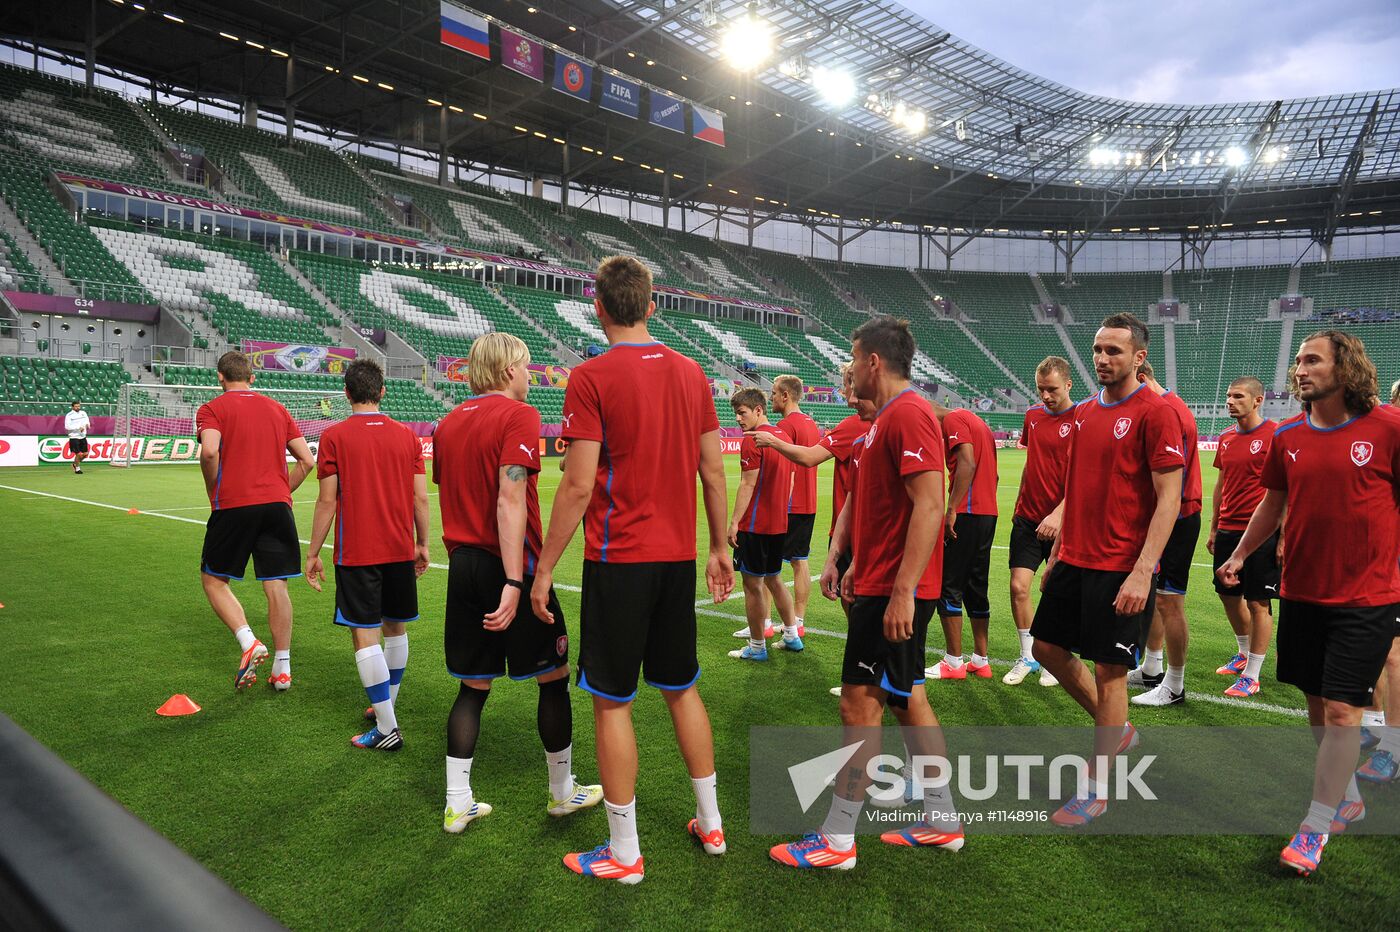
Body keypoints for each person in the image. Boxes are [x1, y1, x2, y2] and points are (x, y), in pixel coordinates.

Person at [530, 255, 735, 884]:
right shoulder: (691, 371)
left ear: (598, 307)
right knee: (682, 688)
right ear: (651, 304)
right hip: (676, 559)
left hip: (619, 561)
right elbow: (711, 469)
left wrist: (542, 572)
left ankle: (624, 853)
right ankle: (712, 822)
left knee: (612, 704)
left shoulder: (589, 376)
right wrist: (721, 546)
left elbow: (579, 483)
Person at [771, 316, 963, 872]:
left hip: (894, 593)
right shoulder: (887, 419)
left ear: (873, 362)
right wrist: (849, 563)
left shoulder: (908, 415)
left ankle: (837, 839)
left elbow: (929, 504)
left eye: (854, 359)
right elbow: (880, 504)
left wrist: (900, 591)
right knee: (907, 701)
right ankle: (943, 820)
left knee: (858, 703)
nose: (850, 370)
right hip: (880, 582)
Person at [1218, 331, 1400, 876]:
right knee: (1319, 712)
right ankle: (1346, 794)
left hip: (1366, 597)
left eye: (1312, 360)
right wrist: (1241, 555)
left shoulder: (1389, 428)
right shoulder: (1289, 436)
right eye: (1297, 360)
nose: (1299, 369)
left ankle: (1314, 828)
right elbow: (1274, 504)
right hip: (1301, 592)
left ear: (1345, 369)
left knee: (1344, 711)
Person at [433, 332, 603, 833]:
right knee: (552, 675)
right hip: (514, 567)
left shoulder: (447, 423)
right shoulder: (517, 415)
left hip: (463, 564)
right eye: (527, 368)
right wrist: (514, 579)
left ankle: (457, 800)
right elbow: (509, 499)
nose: (531, 376)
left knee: (472, 686)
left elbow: (451, 492)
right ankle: (561, 792)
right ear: (509, 370)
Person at [1031, 313, 1184, 826]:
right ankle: (1113, 729)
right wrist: (1058, 555)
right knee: (1046, 647)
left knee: (1111, 672)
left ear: (1139, 357)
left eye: (1114, 351)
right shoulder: (1088, 414)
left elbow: (1169, 497)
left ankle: (1096, 788)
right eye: (1097, 349)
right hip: (1076, 557)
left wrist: (1144, 571)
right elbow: (1079, 488)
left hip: (1122, 565)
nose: (1102, 358)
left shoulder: (1155, 412)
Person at [304, 358, 429, 750]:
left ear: (346, 393)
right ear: (383, 391)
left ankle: (388, 728)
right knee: (395, 628)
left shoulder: (335, 436)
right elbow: (420, 498)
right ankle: (385, 706)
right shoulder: (407, 436)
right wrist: (422, 543)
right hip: (398, 549)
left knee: (365, 633)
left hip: (357, 552)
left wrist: (312, 553)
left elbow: (327, 502)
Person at [196, 352, 315, 691]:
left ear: (221, 377)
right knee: (277, 585)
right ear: (253, 377)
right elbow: (307, 460)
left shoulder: (212, 409)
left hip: (234, 504)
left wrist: (212, 487)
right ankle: (282, 669)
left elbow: (209, 451)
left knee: (214, 580)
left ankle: (248, 640)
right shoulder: (277, 408)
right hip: (277, 506)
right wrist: (281, 491)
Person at [1128, 360, 1202, 708]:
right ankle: (1153, 668)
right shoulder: (1173, 406)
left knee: (1171, 602)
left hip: (1179, 514)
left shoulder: (1167, 411)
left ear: (1141, 378)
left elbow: (1173, 484)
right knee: (1161, 597)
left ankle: (1174, 685)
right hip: (1178, 513)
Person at [1004, 357, 1075, 687]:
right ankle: (1029, 655)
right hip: (1028, 518)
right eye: (1041, 389)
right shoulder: (1032, 416)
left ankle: (1052, 658)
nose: (1046, 396)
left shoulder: (1082, 419)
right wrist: (1020, 505)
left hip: (1065, 522)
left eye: (1053, 390)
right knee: (1018, 587)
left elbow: (1083, 478)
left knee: (1056, 594)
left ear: (1069, 385)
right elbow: (1033, 463)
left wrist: (1059, 514)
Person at [1206, 376, 1278, 698]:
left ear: (1257, 400)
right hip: (1227, 529)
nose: (1230, 401)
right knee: (1227, 595)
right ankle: (1243, 652)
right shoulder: (1225, 438)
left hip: (1261, 533)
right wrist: (1212, 527)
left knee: (1258, 601)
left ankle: (1253, 674)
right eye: (1227, 396)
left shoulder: (1275, 435)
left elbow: (1285, 493)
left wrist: (1285, 537)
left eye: (1237, 396)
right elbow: (1221, 486)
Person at [924, 400, 999, 681]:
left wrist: (952, 508)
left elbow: (967, 462)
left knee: (949, 585)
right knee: (975, 586)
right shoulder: (975, 420)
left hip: (967, 512)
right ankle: (980, 659)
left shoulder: (954, 420)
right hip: (986, 513)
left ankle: (953, 662)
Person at [727, 388, 801, 661]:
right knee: (774, 578)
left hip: (756, 526)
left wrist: (734, 522)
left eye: (742, 412)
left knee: (752, 584)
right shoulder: (783, 436)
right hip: (779, 523)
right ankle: (791, 635)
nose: (738, 418)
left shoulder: (753, 440)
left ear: (759, 410)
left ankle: (757, 646)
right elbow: (791, 482)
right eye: (736, 413)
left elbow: (747, 484)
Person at [773, 375, 820, 638]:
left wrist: (780, 504)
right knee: (800, 561)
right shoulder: (811, 423)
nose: (772, 398)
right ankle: (798, 620)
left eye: (774, 393)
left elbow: (786, 470)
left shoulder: (786, 425)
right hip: (808, 502)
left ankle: (766, 623)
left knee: (769, 566)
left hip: (789, 504)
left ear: (786, 395)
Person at [65, 401, 90, 474]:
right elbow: (67, 427)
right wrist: (78, 427)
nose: (78, 407)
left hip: (83, 436)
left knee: (85, 454)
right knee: (79, 454)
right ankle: (77, 468)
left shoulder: (83, 413)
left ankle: (75, 464)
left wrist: (88, 424)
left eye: (79, 406)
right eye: (76, 406)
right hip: (74, 436)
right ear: (72, 407)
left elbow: (87, 421)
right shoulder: (69, 415)